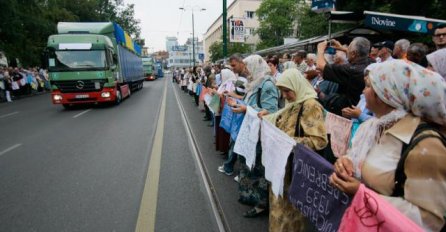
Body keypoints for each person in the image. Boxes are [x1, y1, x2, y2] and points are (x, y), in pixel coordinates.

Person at [330, 60, 446, 231]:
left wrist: (362, 194)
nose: (363, 91)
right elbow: (355, 158)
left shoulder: (425, 145)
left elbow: (430, 220)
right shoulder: (371, 128)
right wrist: (343, 164)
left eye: (369, 86)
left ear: (388, 94)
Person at [258, 68, 328, 231]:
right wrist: (270, 116)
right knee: (278, 208)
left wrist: (289, 142)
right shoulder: (294, 103)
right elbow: (285, 122)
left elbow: (319, 140)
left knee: (289, 213)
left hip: (293, 169)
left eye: (287, 91)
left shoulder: (310, 105)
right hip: (282, 166)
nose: (284, 96)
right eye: (282, 91)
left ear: (297, 86)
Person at [227, 54, 279, 218]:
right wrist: (240, 105)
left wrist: (244, 109)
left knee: (259, 170)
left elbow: (272, 112)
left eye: (248, 68)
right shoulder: (256, 82)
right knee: (250, 167)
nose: (247, 72)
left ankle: (261, 204)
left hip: (261, 136)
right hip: (252, 132)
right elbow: (251, 104)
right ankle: (252, 198)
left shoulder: (268, 84)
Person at [316, 37, 372, 116]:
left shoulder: (351, 70)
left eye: (348, 48)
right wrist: (342, 48)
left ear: (354, 54)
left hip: (348, 113)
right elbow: (358, 54)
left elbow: (320, 66)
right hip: (360, 108)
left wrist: (320, 49)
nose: (346, 50)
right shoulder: (370, 62)